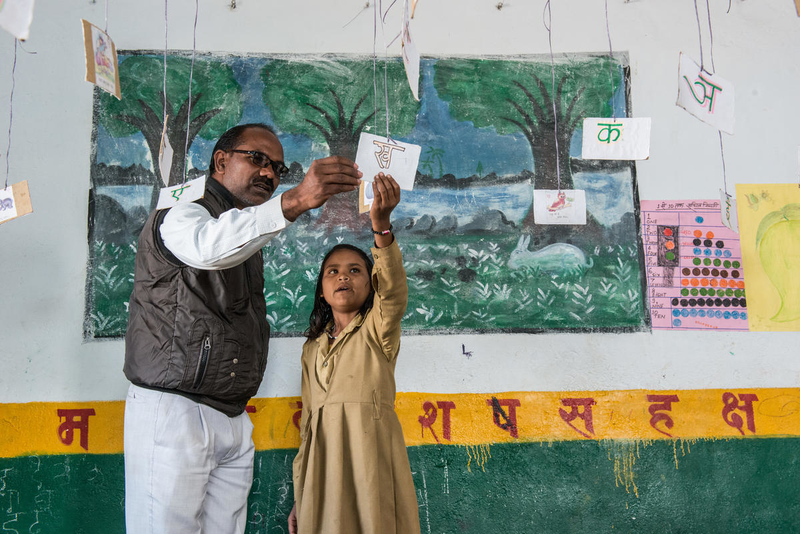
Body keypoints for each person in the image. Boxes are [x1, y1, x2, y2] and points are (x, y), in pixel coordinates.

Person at [123, 123, 363, 534]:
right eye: (258, 159)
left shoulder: (242, 227)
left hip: (232, 414)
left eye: (278, 169)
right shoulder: (184, 211)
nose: (269, 174)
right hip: (176, 411)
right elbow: (205, 247)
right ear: (221, 161)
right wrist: (296, 199)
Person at [288, 173, 421, 534]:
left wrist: (381, 228)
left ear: (370, 283)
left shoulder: (378, 332)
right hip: (322, 469)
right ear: (321, 290)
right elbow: (308, 429)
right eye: (333, 272)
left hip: (371, 463)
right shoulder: (312, 349)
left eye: (354, 270)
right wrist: (301, 496)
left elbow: (392, 294)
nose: (343, 276)